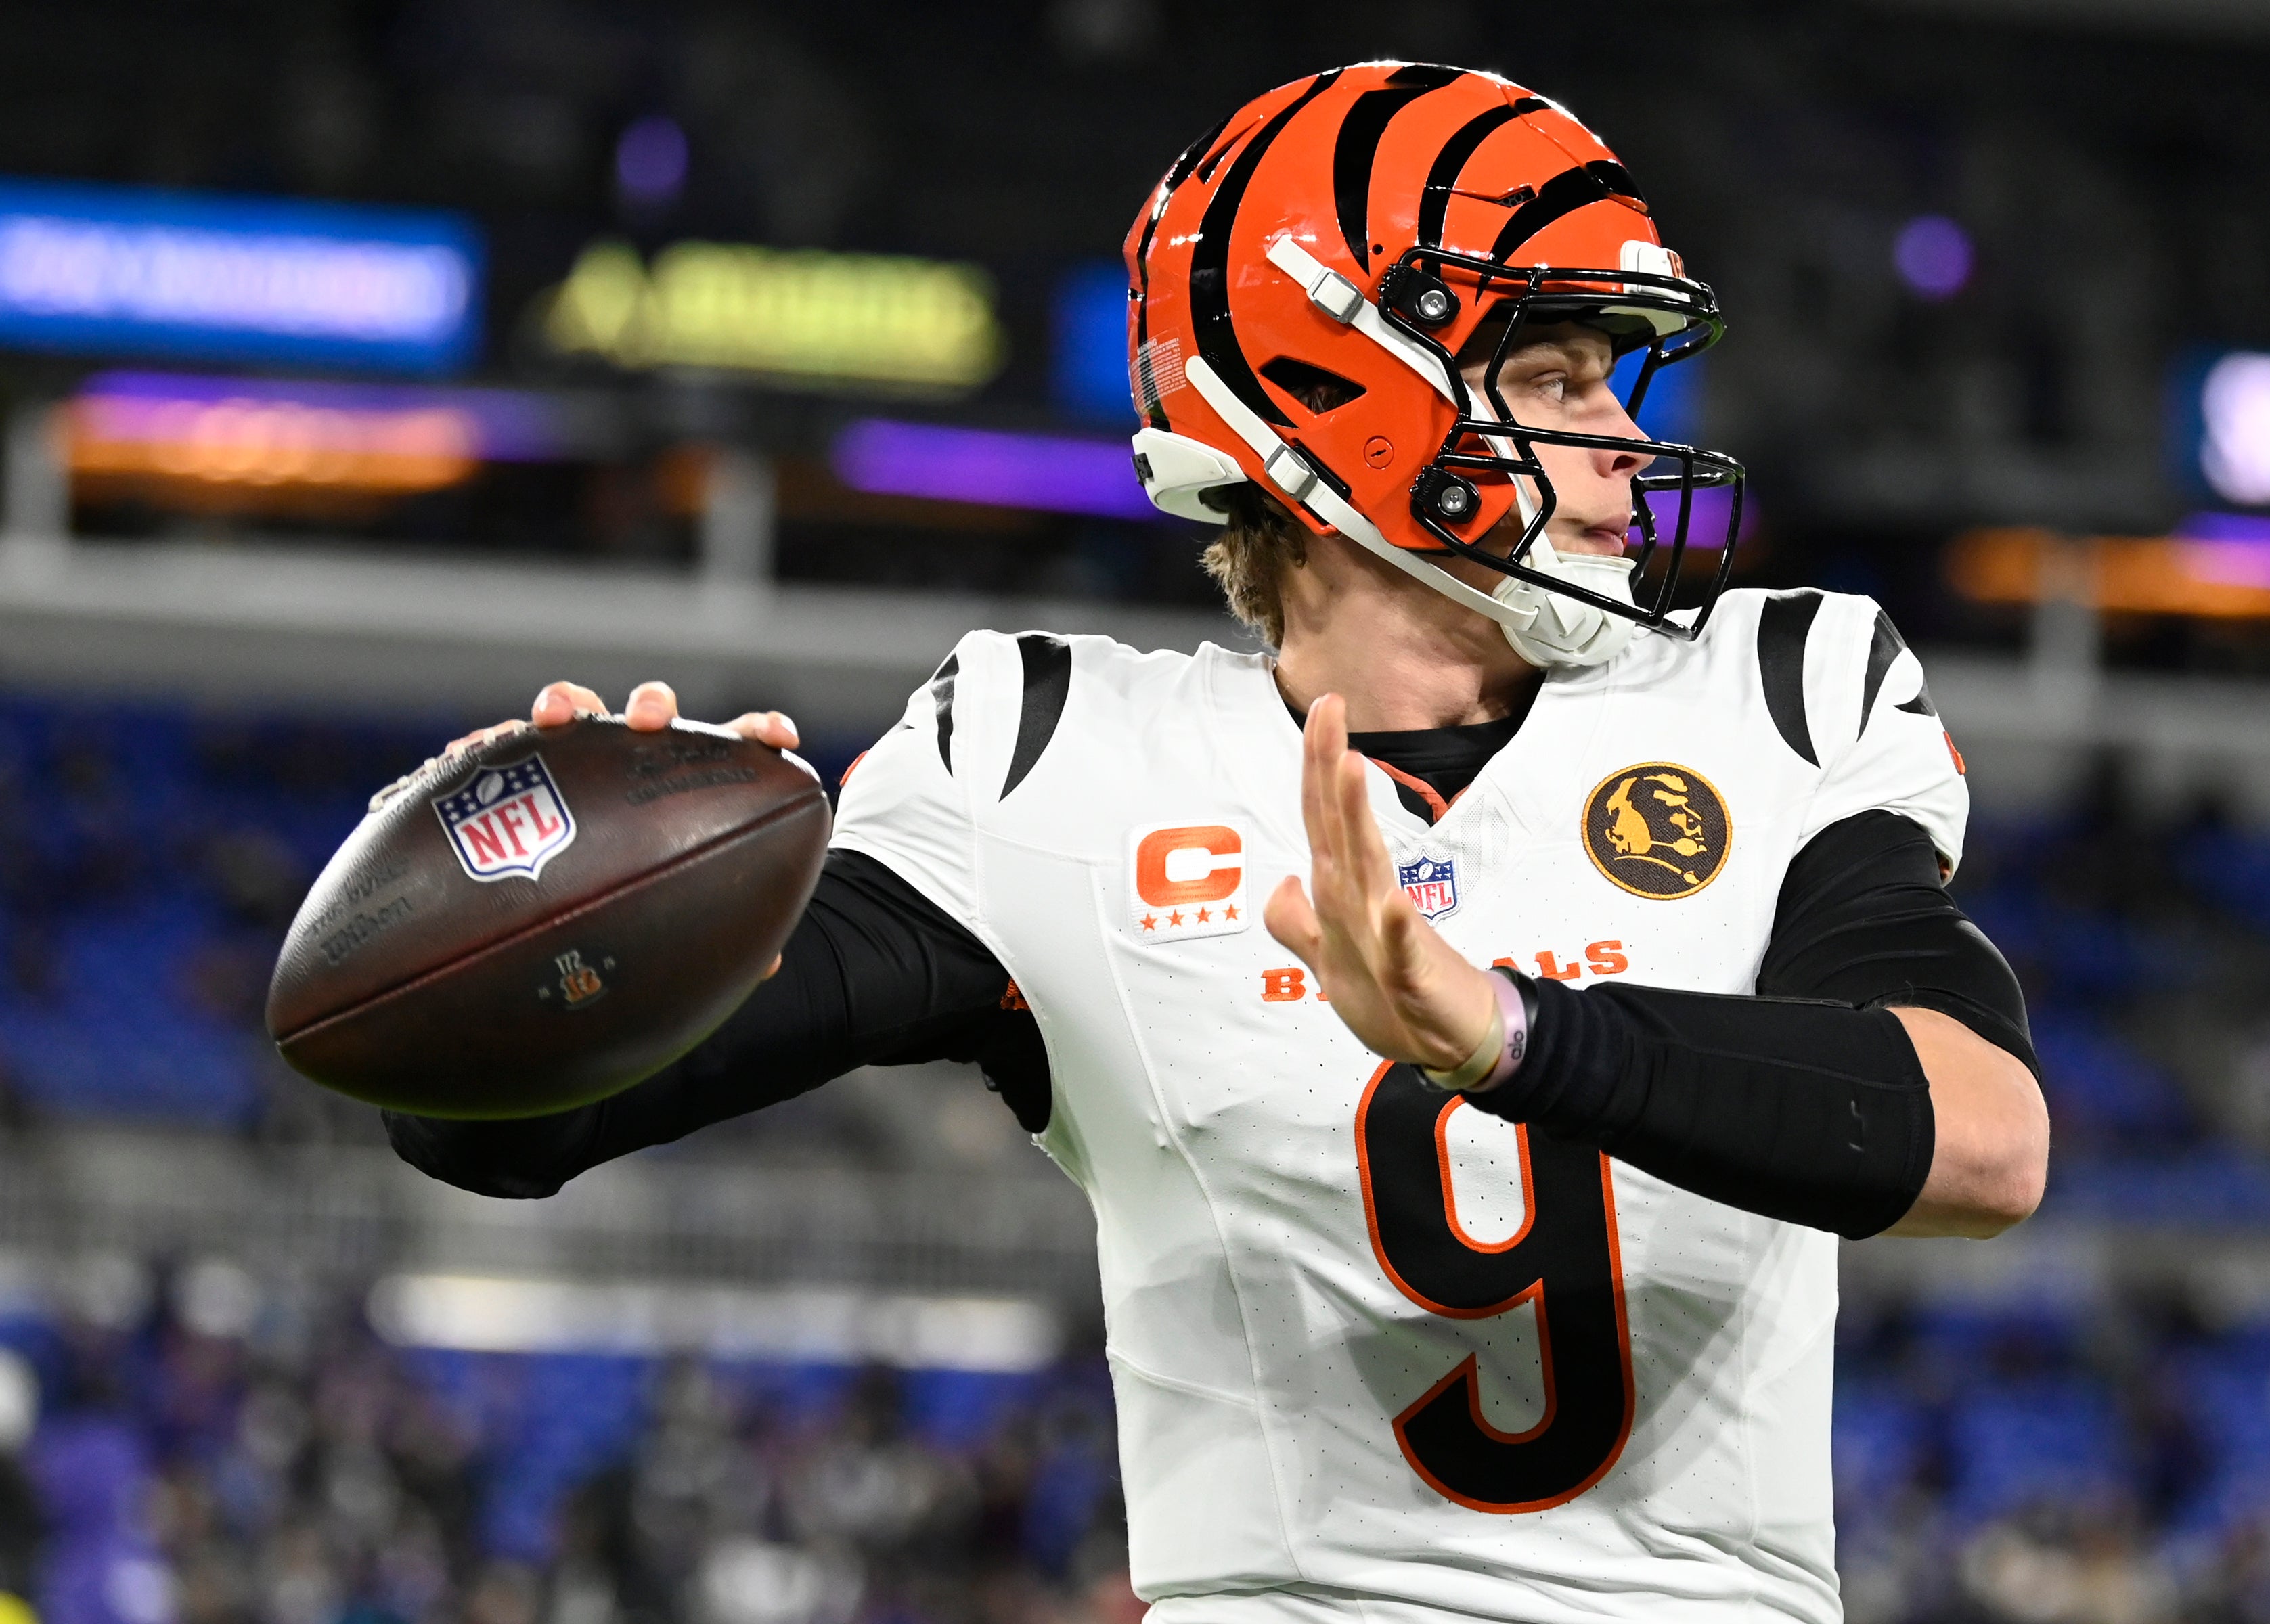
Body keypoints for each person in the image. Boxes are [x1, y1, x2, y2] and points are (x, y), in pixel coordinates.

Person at [388, 64, 2046, 1624]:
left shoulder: (1781, 690)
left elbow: (1982, 1143)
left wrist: (1507, 1033)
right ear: (1350, 398)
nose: (1617, 437)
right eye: (1550, 377)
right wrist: (524, 923)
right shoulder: (1050, 753)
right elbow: (506, 1131)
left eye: (1609, 375)